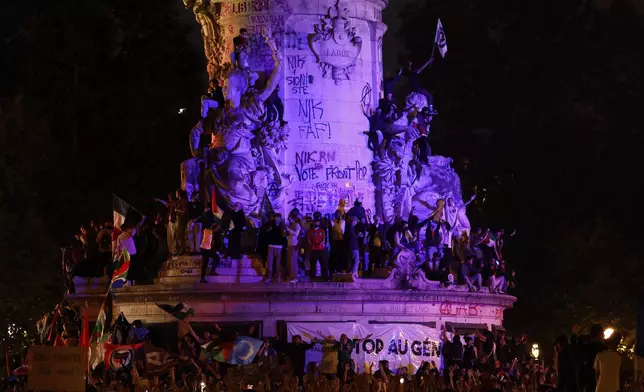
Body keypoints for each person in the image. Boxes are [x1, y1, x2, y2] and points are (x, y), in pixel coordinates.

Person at [262, 213, 285, 283]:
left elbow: (284, 235)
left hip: (279, 246)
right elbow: (266, 232)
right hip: (271, 245)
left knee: (278, 263)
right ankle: (269, 277)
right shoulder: (270, 225)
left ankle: (278, 277)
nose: (277, 219)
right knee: (269, 262)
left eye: (278, 218)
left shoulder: (282, 225)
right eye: (276, 217)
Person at [284, 212, 301, 282]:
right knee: (289, 262)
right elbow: (287, 235)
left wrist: (288, 230)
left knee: (293, 261)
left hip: (294, 245)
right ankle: (291, 276)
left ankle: (295, 277)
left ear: (293, 218)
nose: (289, 219)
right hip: (289, 244)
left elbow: (296, 234)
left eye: (290, 217)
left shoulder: (297, 225)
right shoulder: (290, 225)